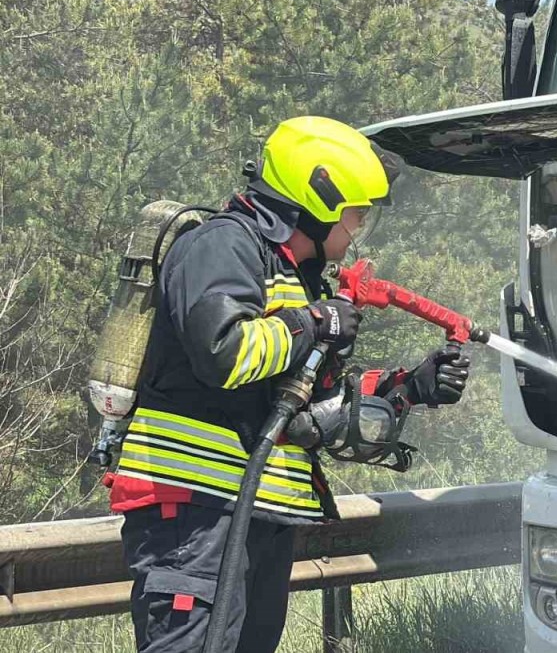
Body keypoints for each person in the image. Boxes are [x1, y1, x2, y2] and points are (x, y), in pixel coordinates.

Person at [102, 116, 471, 653]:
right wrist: (315, 323)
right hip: (195, 514)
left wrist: (408, 387)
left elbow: (312, 410)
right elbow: (222, 353)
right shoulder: (221, 246)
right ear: (318, 200)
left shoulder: (295, 277)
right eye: (355, 212)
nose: (358, 226)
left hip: (254, 518)